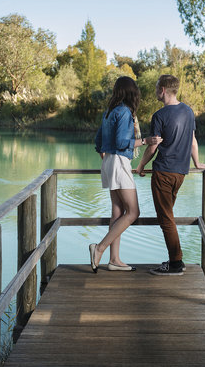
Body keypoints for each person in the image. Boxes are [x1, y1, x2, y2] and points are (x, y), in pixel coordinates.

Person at [135, 74, 205, 275]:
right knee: (168, 217)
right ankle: (175, 260)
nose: (154, 91)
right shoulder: (188, 111)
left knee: (166, 219)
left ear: (162, 90)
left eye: (155, 88)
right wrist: (196, 162)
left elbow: (153, 147)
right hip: (180, 173)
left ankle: (176, 263)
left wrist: (141, 165)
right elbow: (193, 140)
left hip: (163, 172)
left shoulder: (159, 116)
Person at [88, 76, 162, 273]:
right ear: (132, 92)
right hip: (119, 162)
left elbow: (98, 142)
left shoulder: (109, 112)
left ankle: (114, 260)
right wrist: (146, 140)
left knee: (118, 212)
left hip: (110, 162)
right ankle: (99, 248)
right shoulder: (124, 112)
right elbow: (122, 142)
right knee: (133, 212)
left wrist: (107, 158)